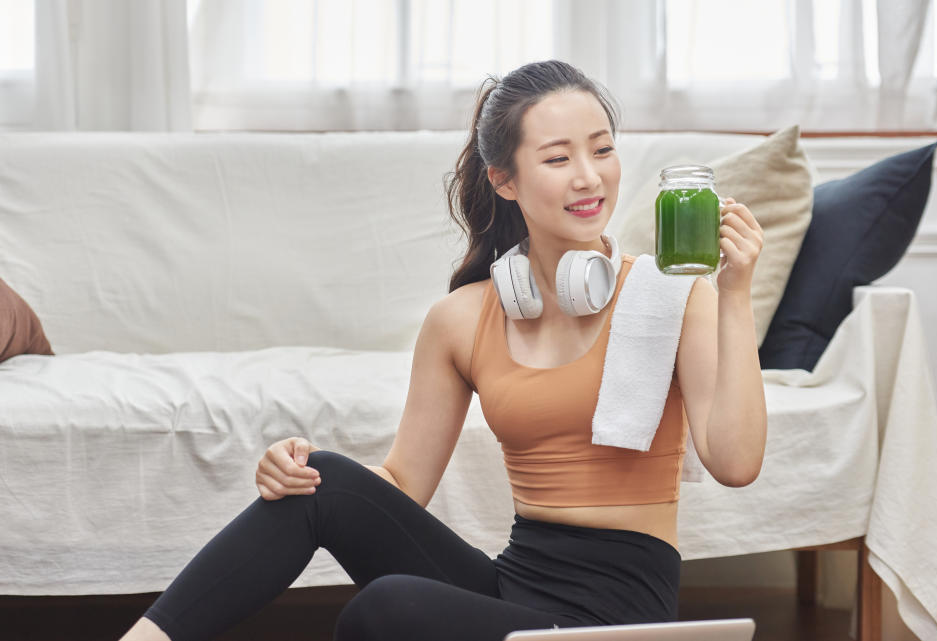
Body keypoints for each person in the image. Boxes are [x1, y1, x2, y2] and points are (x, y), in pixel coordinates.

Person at [119, 59, 767, 641]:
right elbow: (403, 481)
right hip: (517, 588)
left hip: (621, 610)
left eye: (602, 150)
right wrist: (291, 469)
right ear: (504, 180)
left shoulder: (669, 293)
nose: (589, 176)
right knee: (320, 479)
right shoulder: (460, 320)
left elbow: (736, 462)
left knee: (388, 608)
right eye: (558, 157)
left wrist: (733, 292)